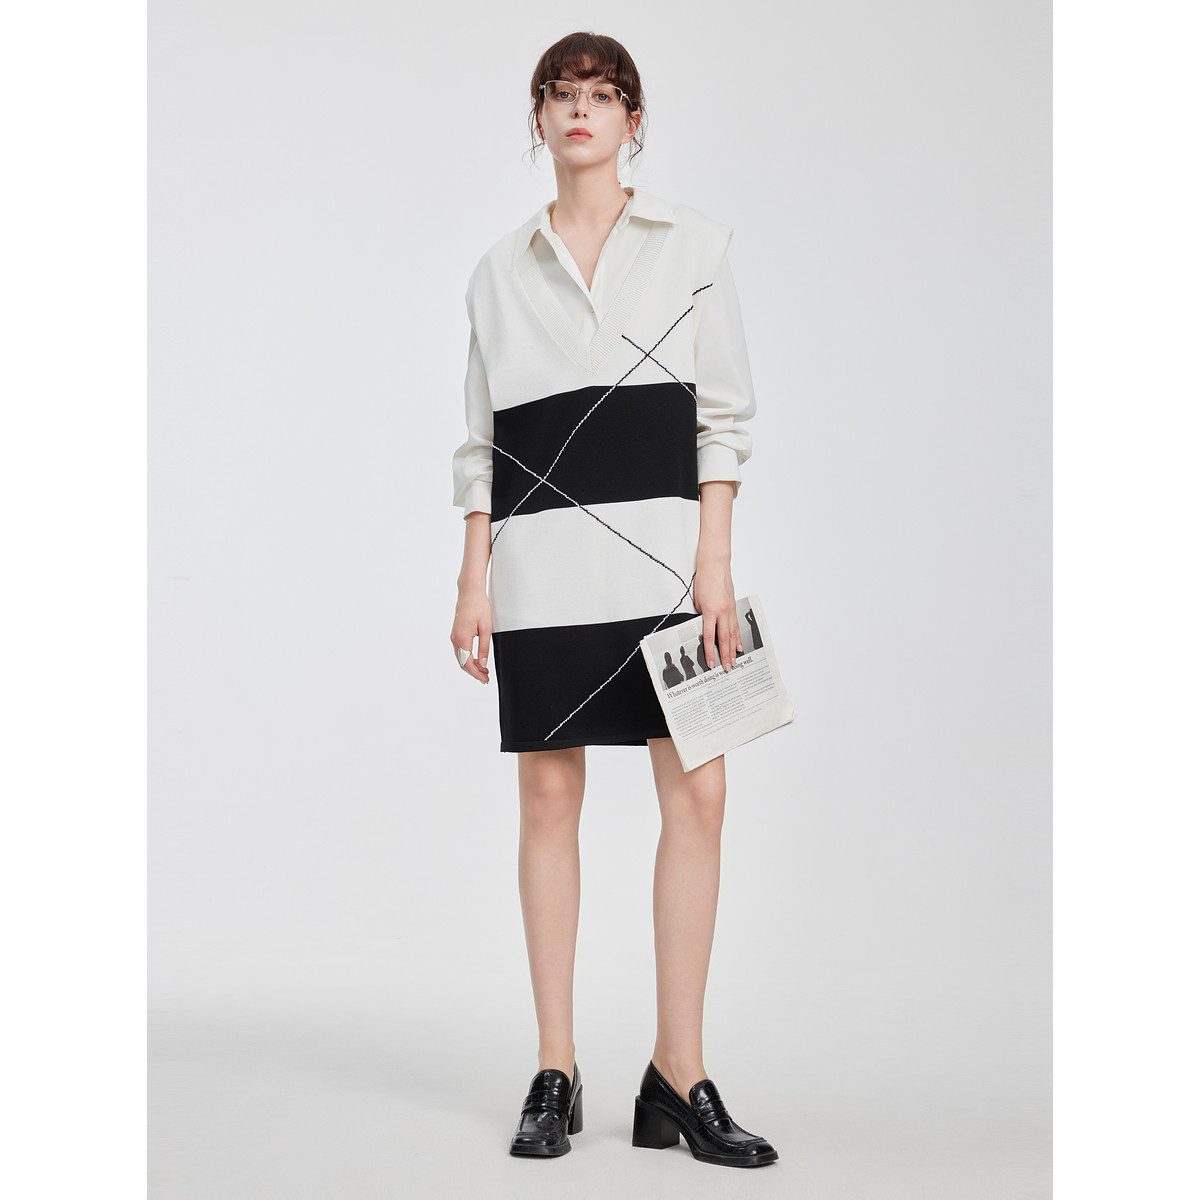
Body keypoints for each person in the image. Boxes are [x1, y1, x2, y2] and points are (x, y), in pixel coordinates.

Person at [449, 31, 777, 1169]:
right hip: (540, 569)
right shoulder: (498, 271)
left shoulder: (695, 245)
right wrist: (472, 575)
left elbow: (723, 415)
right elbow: (484, 441)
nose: (580, 109)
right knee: (549, 800)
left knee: (702, 795)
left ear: (634, 120)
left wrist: (716, 560)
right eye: (561, 93)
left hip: (674, 570)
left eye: (603, 94)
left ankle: (679, 1073)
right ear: (538, 119)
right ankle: (557, 1067)